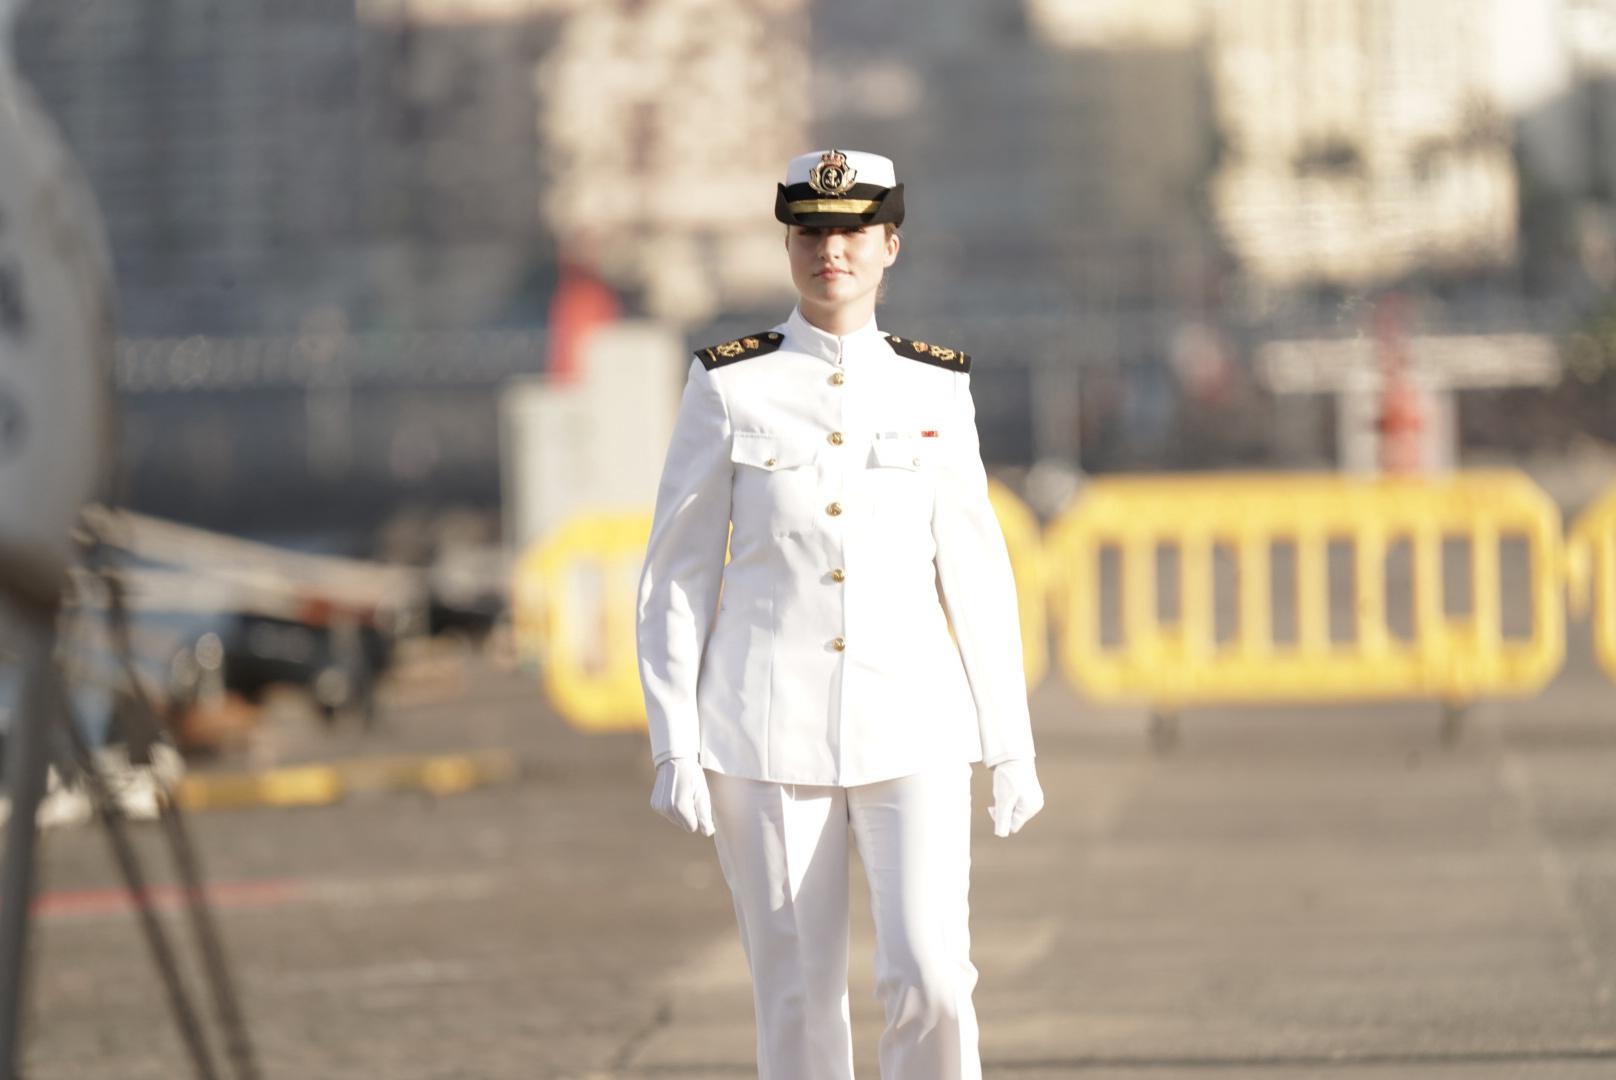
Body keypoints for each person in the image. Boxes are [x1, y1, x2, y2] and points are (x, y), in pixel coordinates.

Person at [635, 148, 1043, 1080]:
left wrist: (1009, 741)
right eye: (812, 232)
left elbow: (976, 572)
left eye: (853, 231)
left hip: (916, 724)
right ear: (790, 245)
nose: (832, 250)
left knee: (934, 978)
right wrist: (673, 740)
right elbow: (677, 578)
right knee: (797, 1001)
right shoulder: (729, 384)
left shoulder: (937, 387)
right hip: (764, 732)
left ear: (889, 244)